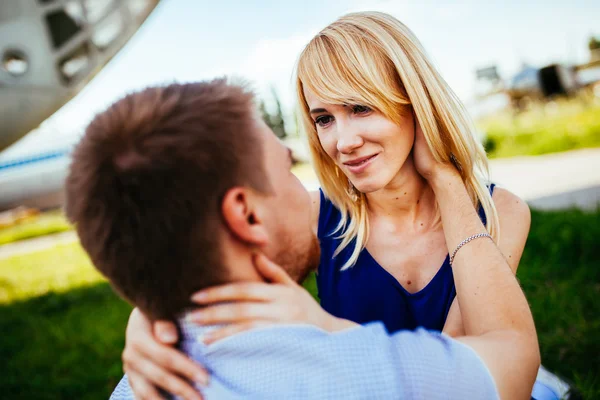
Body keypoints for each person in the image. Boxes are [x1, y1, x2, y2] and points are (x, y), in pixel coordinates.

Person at [123, 11, 566, 400]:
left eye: (360, 107)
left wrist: (445, 178)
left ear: (415, 102)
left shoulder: (500, 212)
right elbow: (207, 270)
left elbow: (463, 376)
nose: (343, 142)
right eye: (323, 119)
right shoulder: (318, 217)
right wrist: (147, 322)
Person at [66, 79, 539, 400]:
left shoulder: (137, 385)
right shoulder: (377, 374)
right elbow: (511, 358)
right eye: (288, 168)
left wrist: (159, 311)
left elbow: (169, 240)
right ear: (246, 214)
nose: (341, 145)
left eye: (360, 107)